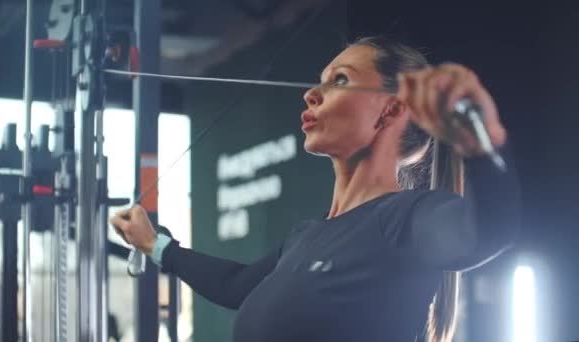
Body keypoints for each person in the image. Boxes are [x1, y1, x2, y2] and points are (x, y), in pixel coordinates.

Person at [110, 36, 520, 342]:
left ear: (391, 108)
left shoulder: (405, 219)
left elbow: (487, 232)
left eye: (340, 80)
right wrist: (155, 245)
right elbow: (236, 286)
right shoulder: (308, 235)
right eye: (320, 80)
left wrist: (479, 143)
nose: (311, 93)